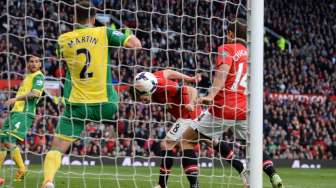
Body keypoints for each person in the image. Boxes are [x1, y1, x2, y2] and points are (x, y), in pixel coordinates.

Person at [41, 1, 141, 188]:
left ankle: (48, 182)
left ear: (73, 18)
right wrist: (124, 32)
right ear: (94, 18)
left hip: (78, 105)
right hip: (107, 104)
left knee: (56, 149)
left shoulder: (63, 39)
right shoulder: (104, 32)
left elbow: (59, 55)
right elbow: (136, 45)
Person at [180, 19, 284, 188]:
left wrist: (210, 95)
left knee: (186, 139)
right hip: (244, 110)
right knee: (253, 145)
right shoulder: (251, 54)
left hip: (223, 109)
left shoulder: (226, 49)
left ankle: (194, 185)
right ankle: (273, 174)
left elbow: (221, 75)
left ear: (230, 34)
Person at [130, 69, 202, 188]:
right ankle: (242, 171)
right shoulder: (153, 79)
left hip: (188, 114)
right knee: (212, 143)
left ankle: (163, 184)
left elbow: (191, 89)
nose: (143, 100)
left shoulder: (164, 86)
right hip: (184, 115)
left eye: (144, 97)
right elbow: (168, 72)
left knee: (168, 145)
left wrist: (191, 103)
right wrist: (190, 78)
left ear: (150, 90)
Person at [0, 55, 45, 185]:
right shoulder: (27, 77)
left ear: (40, 64)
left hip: (25, 113)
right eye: (31, 61)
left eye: (37, 61)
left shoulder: (39, 77)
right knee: (1, 141)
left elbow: (35, 94)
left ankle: (22, 168)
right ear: (27, 64)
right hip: (16, 112)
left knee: (8, 139)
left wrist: (14, 99)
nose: (34, 64)